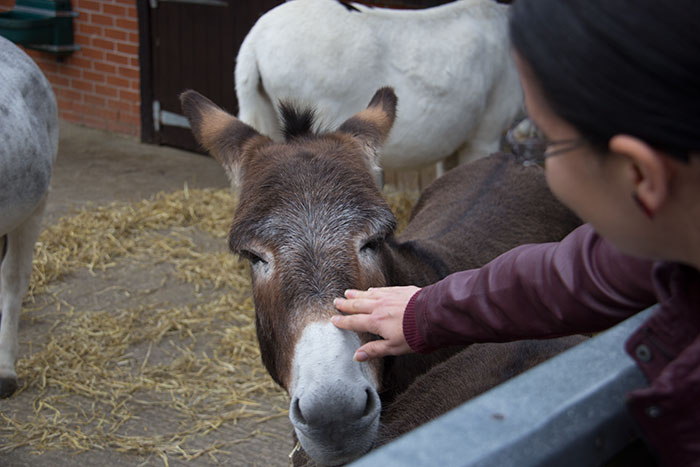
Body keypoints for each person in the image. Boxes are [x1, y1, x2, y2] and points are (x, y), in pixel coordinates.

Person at [331, 0, 700, 465]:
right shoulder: (666, 236)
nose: (533, 157)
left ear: (639, 176)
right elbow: (574, 276)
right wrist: (425, 310)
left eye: (542, 139)